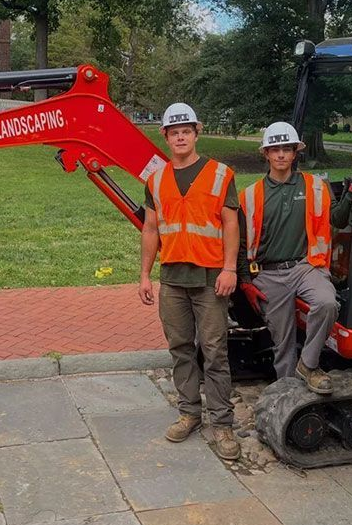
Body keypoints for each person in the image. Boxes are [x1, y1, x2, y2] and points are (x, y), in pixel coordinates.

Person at [138, 102, 241, 460]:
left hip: (212, 276)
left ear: (197, 133)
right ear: (165, 136)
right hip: (173, 278)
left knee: (215, 351)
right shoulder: (156, 179)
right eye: (174, 132)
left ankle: (223, 423)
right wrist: (145, 275)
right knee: (180, 347)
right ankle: (189, 413)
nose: (180, 136)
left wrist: (230, 268)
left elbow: (230, 223)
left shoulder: (219, 174)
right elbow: (151, 229)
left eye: (186, 131)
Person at [237, 122, 352, 393]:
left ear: (295, 152)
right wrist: (245, 281)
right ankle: (286, 395)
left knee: (326, 304)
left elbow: (339, 218)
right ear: (266, 154)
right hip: (267, 274)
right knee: (282, 342)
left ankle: (308, 364)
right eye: (275, 149)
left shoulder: (315, 186)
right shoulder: (250, 195)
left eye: (286, 149)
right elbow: (239, 243)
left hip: (305, 266)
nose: (281, 155)